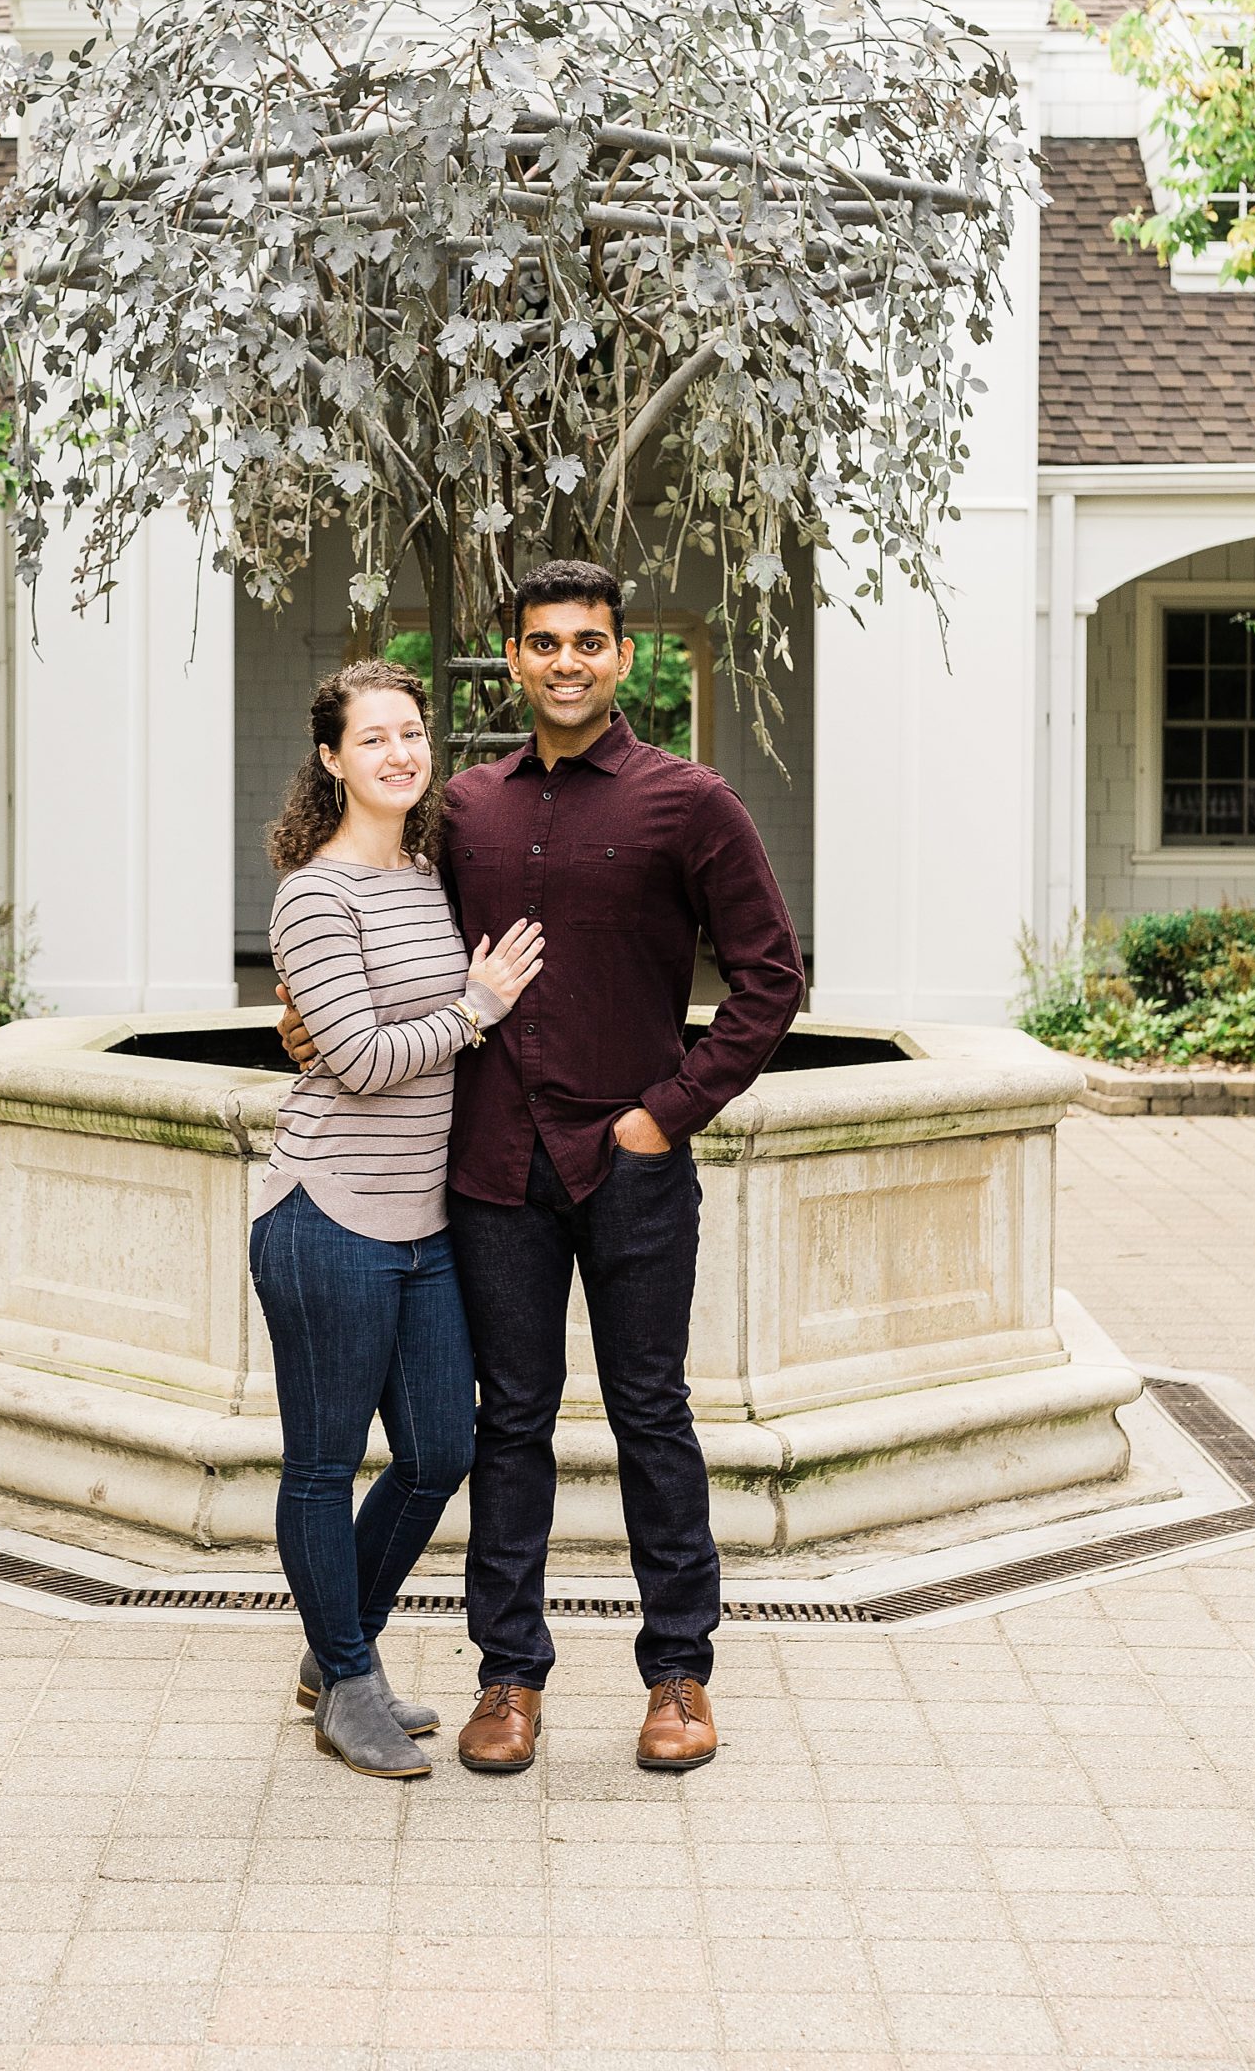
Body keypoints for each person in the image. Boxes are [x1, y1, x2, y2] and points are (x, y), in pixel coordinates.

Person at [281, 563, 805, 1774]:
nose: (566, 661)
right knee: (506, 1424)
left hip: (631, 1166)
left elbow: (772, 980)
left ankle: (679, 1673)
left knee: (651, 1417)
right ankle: (508, 1676)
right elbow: (380, 930)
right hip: (492, 1172)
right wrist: (299, 1020)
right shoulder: (462, 809)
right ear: (512, 661)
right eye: (543, 643)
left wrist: (669, 1112)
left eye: (589, 641)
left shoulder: (693, 804)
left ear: (625, 658)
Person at [255, 657, 544, 1781]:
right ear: (331, 760)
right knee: (324, 1465)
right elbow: (363, 1060)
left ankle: (336, 1654)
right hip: (325, 1212)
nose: (399, 753)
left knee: (438, 1449)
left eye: (412, 733)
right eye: (372, 737)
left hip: (423, 1225)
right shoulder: (313, 893)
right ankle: (348, 1676)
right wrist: (476, 1011)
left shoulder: (429, 875)